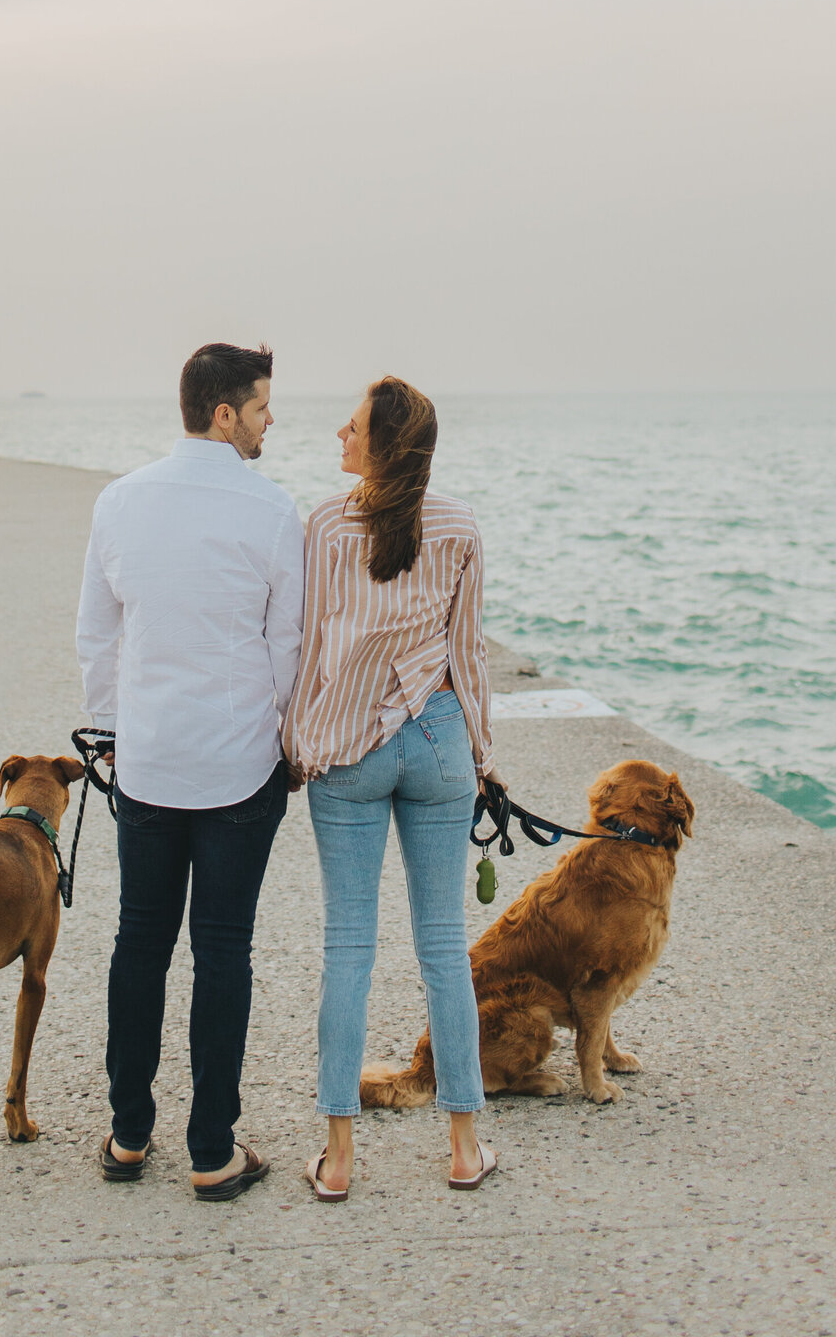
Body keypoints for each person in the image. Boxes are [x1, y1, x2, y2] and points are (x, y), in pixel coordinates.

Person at [76, 341, 304, 1197]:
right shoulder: (274, 511)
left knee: (140, 941)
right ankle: (212, 1151)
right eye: (261, 406)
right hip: (241, 765)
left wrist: (107, 731)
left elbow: (97, 633)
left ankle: (129, 1137)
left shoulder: (118, 501)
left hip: (147, 760)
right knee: (223, 951)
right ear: (223, 413)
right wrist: (284, 742)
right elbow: (286, 645)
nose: (269, 419)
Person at [283, 375, 498, 1198]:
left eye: (355, 424)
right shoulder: (460, 526)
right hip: (439, 738)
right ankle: (464, 1147)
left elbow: (310, 651)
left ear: (384, 445)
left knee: (349, 949)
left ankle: (338, 1160)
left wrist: (300, 744)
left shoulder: (328, 527)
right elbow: (468, 654)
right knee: (444, 948)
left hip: (350, 751)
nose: (340, 431)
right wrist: (483, 755)